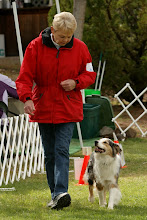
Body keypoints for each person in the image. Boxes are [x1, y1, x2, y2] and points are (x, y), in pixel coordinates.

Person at [16, 12, 96, 210]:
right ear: (53, 31)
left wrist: (76, 82)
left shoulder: (81, 48)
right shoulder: (35, 46)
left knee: (61, 149)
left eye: (69, 37)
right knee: (49, 154)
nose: (66, 40)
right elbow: (24, 76)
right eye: (62, 37)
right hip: (43, 107)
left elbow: (90, 74)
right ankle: (56, 196)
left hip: (68, 107)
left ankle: (61, 192)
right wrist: (26, 99)